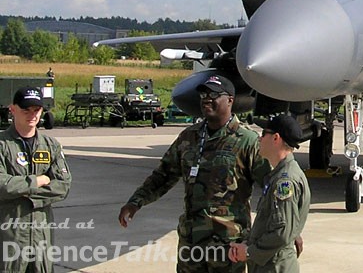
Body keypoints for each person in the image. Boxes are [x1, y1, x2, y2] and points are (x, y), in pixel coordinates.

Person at [118, 75, 266, 272]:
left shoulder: (247, 141)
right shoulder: (189, 138)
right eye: (204, 94)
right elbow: (163, 175)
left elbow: (271, 186)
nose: (206, 98)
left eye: (214, 94)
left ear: (230, 100)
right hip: (191, 243)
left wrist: (288, 230)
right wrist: (135, 202)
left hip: (227, 245)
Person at [0, 86, 71, 273]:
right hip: (9, 236)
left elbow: (63, 185)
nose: (32, 115)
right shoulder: (2, 146)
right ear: (12, 109)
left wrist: (23, 191)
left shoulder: (51, 146)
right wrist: (37, 181)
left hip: (41, 237)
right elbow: (2, 186)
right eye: (26, 110)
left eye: (36, 110)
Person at [229, 114, 310, 273]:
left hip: (274, 266)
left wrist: (248, 252)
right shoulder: (280, 175)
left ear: (276, 138)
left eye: (264, 133)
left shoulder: (284, 182)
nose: (259, 138)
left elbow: (281, 233)